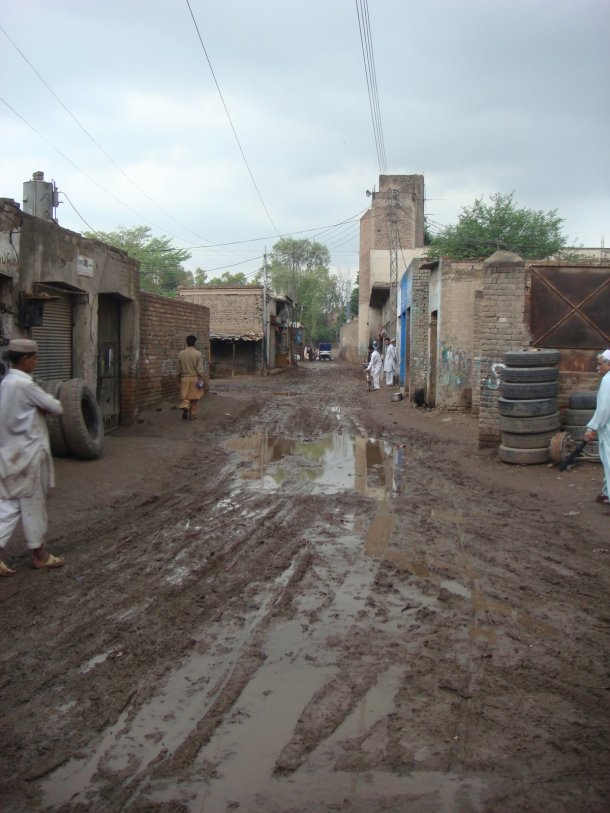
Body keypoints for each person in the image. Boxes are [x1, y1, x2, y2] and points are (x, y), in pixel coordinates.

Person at [0, 339, 65, 575]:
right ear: (26, 359)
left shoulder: (5, 383)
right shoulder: (26, 385)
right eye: (35, 358)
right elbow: (56, 407)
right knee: (33, 504)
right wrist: (43, 407)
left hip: (7, 455)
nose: (36, 362)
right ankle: (40, 555)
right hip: (28, 456)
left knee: (8, 505)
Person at [583, 349, 610, 513]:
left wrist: (592, 427)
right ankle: (607, 492)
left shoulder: (608, 381)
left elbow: (605, 408)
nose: (598, 368)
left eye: (600, 364)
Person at [178, 335, 205, 420]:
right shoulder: (197, 353)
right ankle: (192, 414)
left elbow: (179, 368)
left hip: (184, 378)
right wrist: (202, 378)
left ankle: (185, 406)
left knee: (186, 396)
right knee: (195, 397)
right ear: (195, 343)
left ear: (186, 342)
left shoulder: (181, 353)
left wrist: (178, 378)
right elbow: (200, 369)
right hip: (194, 379)